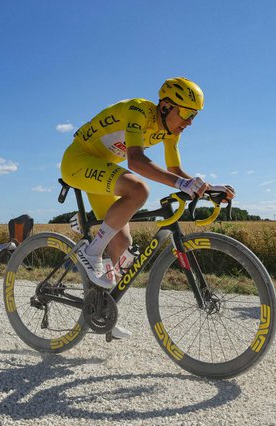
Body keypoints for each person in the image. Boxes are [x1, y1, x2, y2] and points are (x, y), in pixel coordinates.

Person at [60, 77, 234, 339]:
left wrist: (206, 189)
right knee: (138, 189)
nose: (188, 122)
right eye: (185, 113)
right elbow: (137, 161)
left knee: (122, 241)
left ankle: (101, 309)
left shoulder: (170, 131)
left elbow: (175, 170)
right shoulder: (139, 111)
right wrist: (183, 183)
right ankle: (91, 250)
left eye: (194, 116)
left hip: (102, 168)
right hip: (79, 160)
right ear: (164, 106)